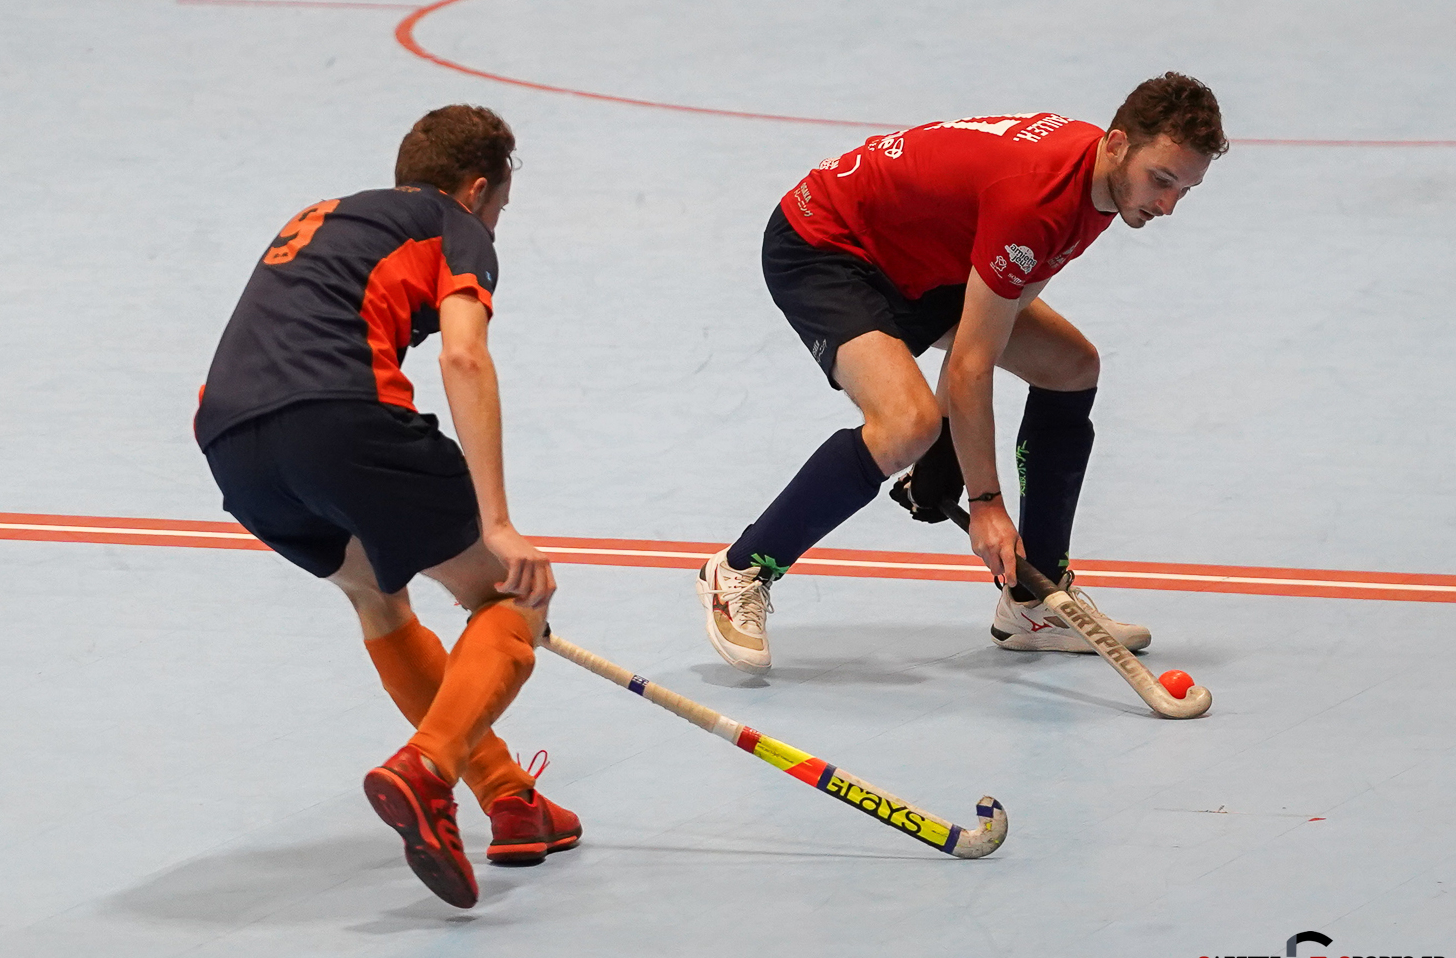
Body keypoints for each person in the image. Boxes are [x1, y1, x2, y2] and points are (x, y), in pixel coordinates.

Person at [698, 73, 1228, 672]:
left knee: (1070, 367)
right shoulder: (1039, 199)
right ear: (1116, 144)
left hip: (925, 257)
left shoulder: (1104, 188)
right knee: (907, 424)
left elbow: (992, 326)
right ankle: (742, 567)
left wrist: (952, 452)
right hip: (828, 245)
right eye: (1161, 181)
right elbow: (975, 366)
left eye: (1185, 189)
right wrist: (985, 503)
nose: (1166, 205)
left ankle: (1035, 599)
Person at [195, 105, 579, 908]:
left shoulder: (326, 214)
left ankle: (508, 797)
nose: (495, 224)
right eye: (500, 208)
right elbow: (464, 354)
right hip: (340, 416)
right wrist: (498, 525)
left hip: (231, 442)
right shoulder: (453, 224)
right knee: (510, 596)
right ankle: (426, 767)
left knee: (379, 594)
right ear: (477, 190)